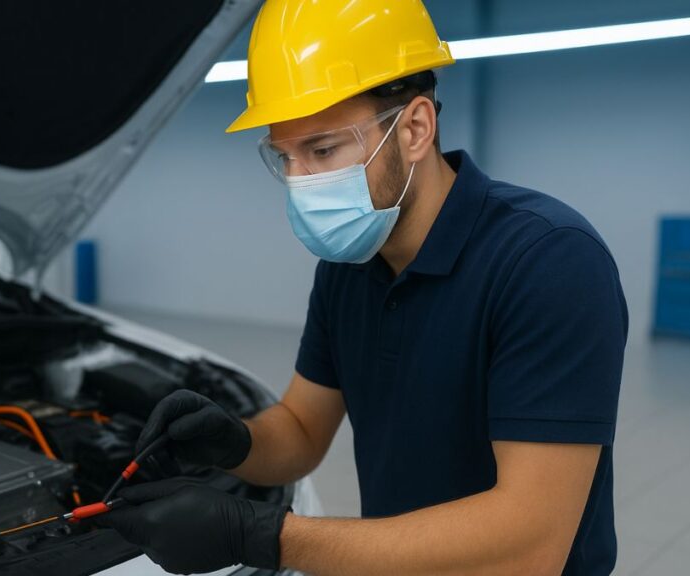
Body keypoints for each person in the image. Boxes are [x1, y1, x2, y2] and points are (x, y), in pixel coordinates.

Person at [94, 1, 628, 574]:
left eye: (323, 150)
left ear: (416, 128)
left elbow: (530, 546)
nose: (301, 182)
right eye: (285, 156)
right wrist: (234, 443)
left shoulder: (547, 261)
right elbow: (301, 430)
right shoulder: (352, 262)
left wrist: (263, 538)